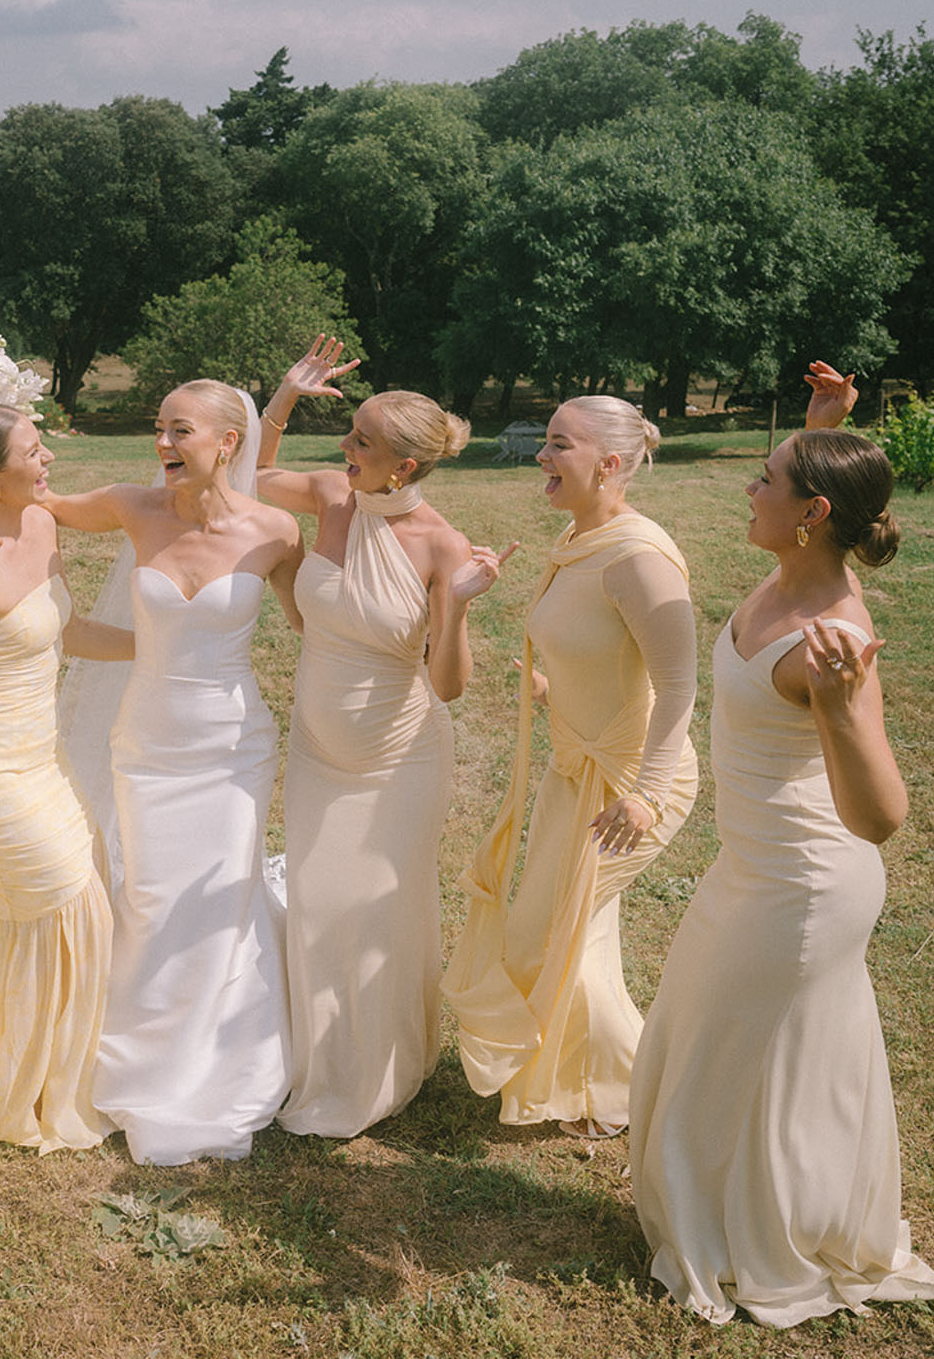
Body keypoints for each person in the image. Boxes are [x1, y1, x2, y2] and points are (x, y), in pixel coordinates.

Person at [629, 371, 934, 1325]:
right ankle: (742, 1207)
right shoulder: (799, 562)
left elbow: (882, 817)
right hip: (750, 869)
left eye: (764, 480)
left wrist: (845, 713)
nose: (747, 490)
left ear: (810, 516)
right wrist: (820, 430)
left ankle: (768, 1232)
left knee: (740, 1053)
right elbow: (818, 490)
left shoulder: (827, 641)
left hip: (807, 883)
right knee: (727, 1047)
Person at [256, 337, 517, 1138]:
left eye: (361, 441)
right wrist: (284, 399)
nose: (345, 449)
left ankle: (378, 1068)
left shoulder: (440, 544)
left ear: (403, 468)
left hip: (396, 757)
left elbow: (447, 683)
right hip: (316, 745)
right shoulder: (335, 498)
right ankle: (318, 1055)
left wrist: (459, 603)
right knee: (316, 898)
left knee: (374, 909)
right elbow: (249, 482)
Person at [47, 380, 303, 1165]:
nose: (162, 442)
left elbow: (316, 620)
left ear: (229, 443)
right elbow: (38, 504)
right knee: (153, 896)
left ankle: (224, 1058)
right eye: (159, 428)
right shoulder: (133, 506)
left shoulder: (276, 531)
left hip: (232, 748)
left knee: (219, 898)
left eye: (179, 430)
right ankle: (147, 1056)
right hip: (148, 743)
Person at [443, 395, 697, 1137]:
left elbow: (678, 683)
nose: (541, 457)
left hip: (631, 783)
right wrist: (557, 687)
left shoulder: (639, 558)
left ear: (609, 465)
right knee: (577, 934)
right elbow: (595, 644)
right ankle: (597, 1085)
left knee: (548, 935)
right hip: (574, 771)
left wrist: (647, 794)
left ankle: (647, 1089)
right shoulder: (578, 536)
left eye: (558, 445)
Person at [0, 404, 132, 1153]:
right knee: (62, 902)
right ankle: (18, 1094)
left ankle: (60, 1075)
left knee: (90, 905)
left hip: (42, 758)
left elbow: (65, 628)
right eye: (32, 450)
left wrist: (157, 648)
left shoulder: (42, 525)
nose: (47, 458)